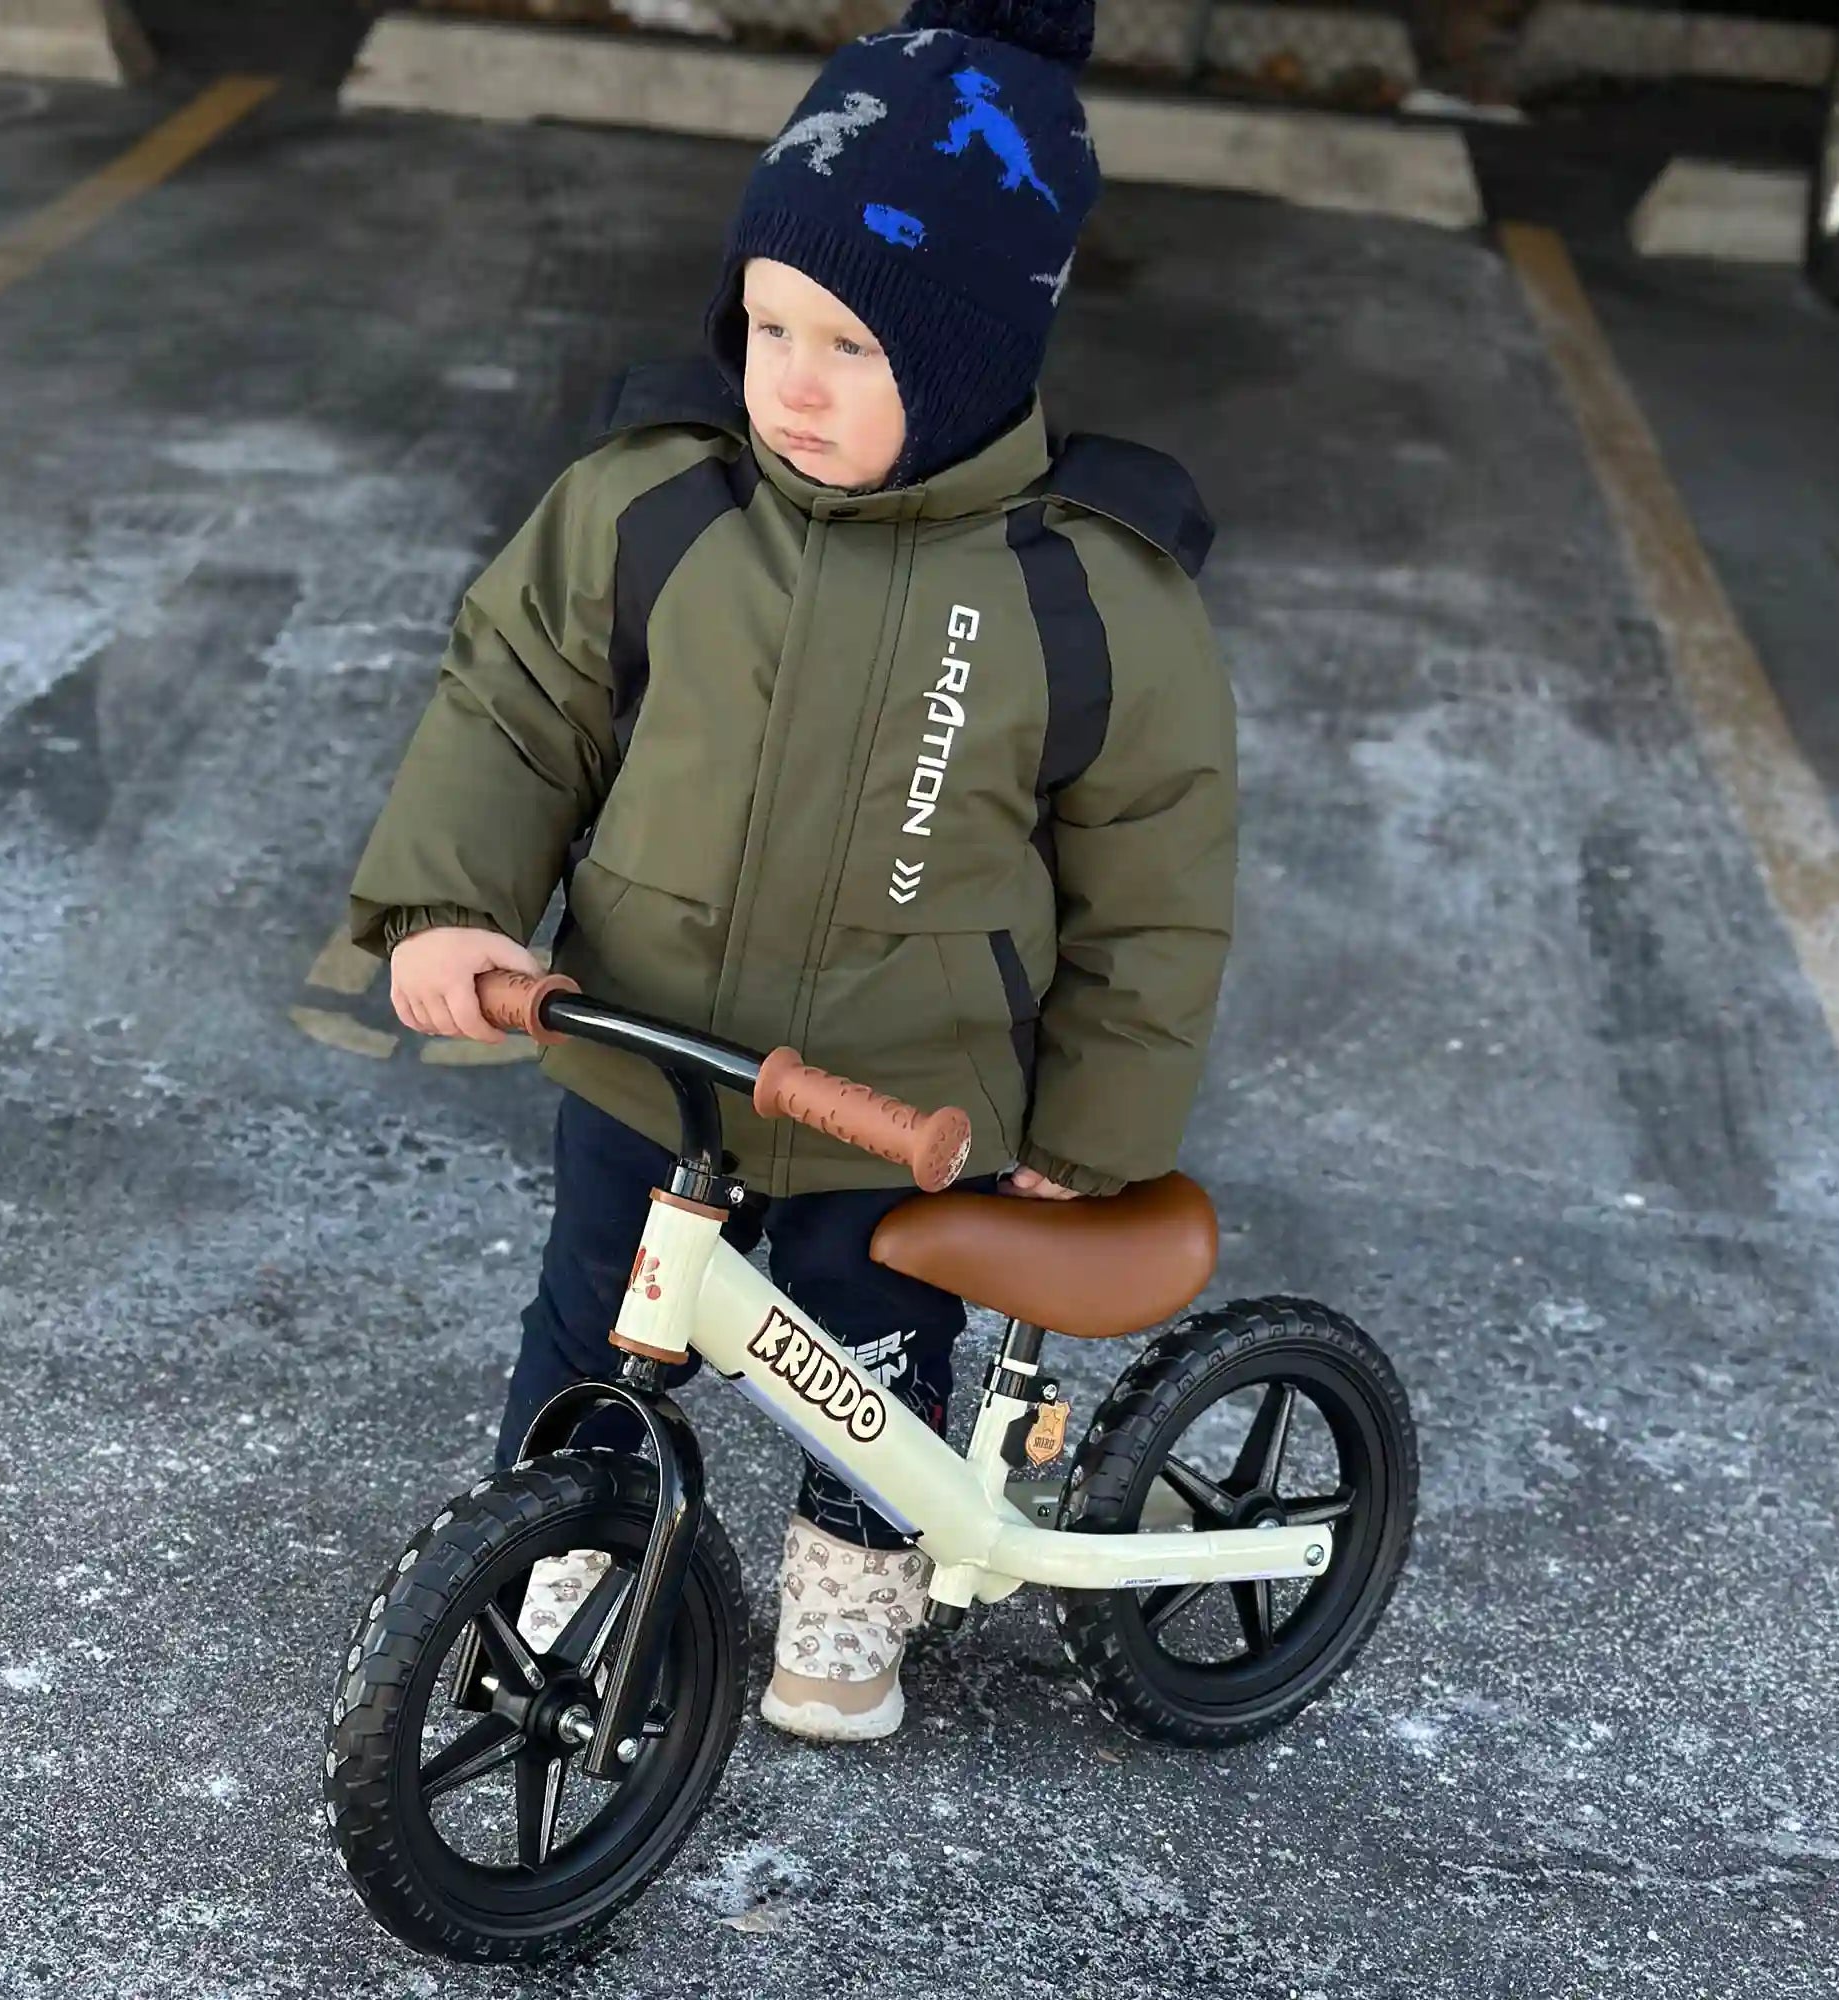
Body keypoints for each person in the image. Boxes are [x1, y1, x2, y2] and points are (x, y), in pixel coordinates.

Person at [345, 0, 1236, 1744]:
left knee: (876, 1366)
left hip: (901, 1100)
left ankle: (853, 1585)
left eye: (850, 344)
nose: (789, 382)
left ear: (974, 360)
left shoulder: (1086, 594)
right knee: (591, 1332)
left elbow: (1154, 883)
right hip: (645, 1044)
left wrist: (1093, 1143)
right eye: (767, 323)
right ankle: (573, 1556)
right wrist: (448, 903)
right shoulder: (658, 507)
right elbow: (517, 708)